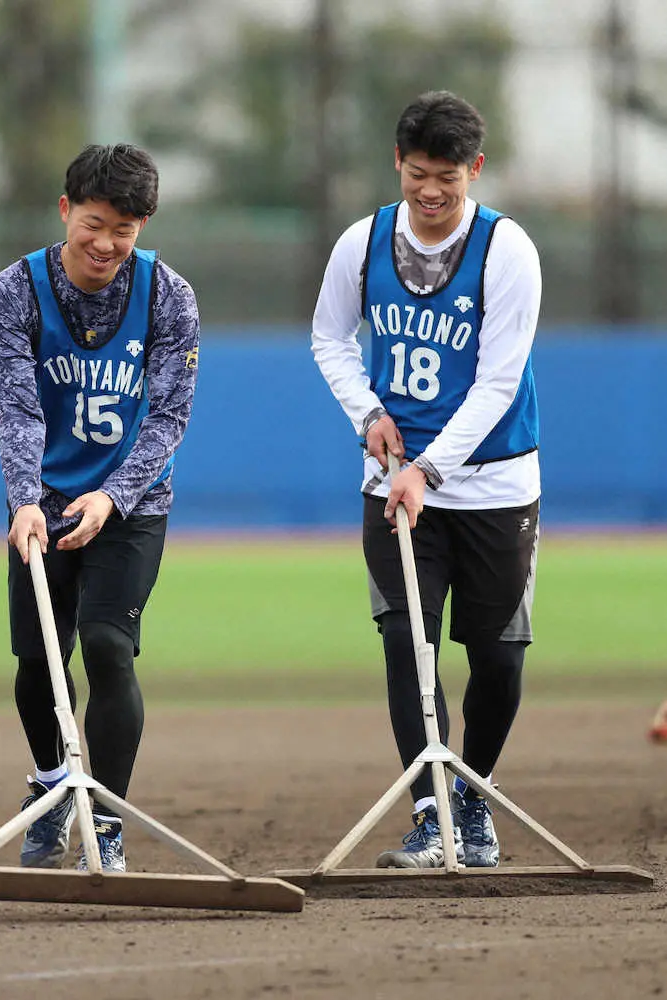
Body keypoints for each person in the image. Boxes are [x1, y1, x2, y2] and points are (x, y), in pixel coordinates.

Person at [311, 91, 541, 869]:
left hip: (491, 484)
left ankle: (475, 800)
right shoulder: (363, 241)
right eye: (416, 175)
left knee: (498, 656)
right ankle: (430, 812)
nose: (430, 192)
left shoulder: (506, 251)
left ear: (473, 169)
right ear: (397, 166)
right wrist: (366, 412)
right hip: (392, 482)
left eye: (446, 176)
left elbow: (497, 381)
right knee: (408, 644)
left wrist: (430, 467)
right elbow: (329, 338)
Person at [0, 143, 200, 872]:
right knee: (39, 658)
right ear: (66, 209)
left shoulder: (169, 296)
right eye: (95, 223)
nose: (106, 244)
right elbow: (16, 411)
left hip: (130, 502)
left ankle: (104, 819)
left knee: (107, 645)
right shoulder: (12, 293)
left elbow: (168, 416)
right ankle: (50, 788)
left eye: (126, 229)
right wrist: (24, 501)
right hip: (41, 500)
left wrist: (112, 495)